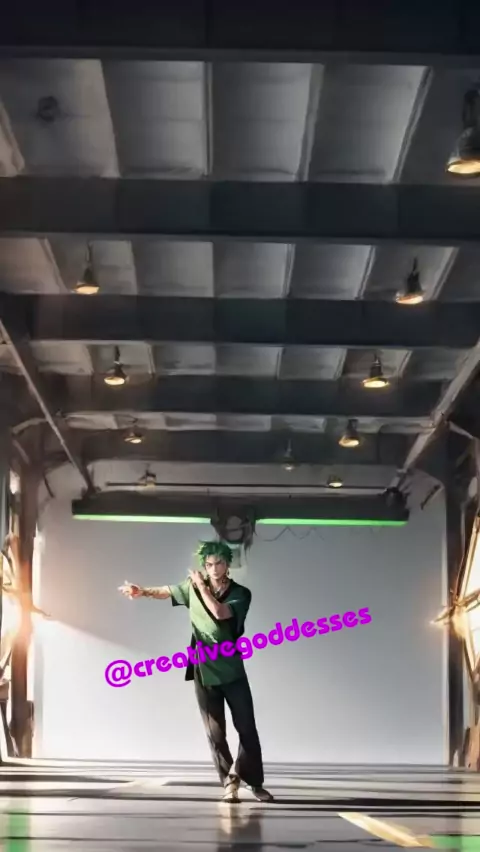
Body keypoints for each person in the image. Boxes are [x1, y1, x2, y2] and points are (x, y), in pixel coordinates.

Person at [118, 540, 273, 804]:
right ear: (204, 565)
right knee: (215, 733)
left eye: (219, 563)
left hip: (232, 669)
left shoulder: (241, 593)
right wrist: (141, 591)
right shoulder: (191, 587)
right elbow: (166, 591)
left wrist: (200, 586)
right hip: (203, 669)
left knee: (246, 727)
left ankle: (254, 782)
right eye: (209, 564)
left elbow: (219, 612)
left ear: (227, 564)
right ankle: (229, 783)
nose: (214, 568)